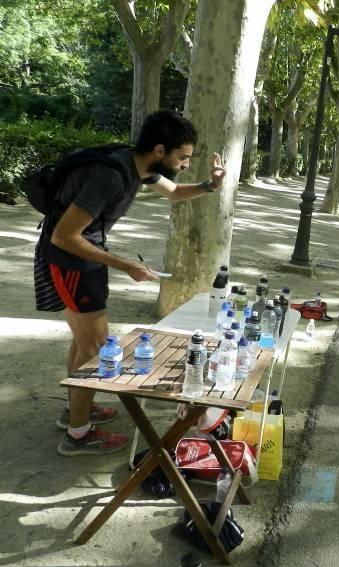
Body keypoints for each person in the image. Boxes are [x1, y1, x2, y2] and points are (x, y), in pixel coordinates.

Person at [34, 109, 226, 456]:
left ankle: (77, 410)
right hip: (71, 262)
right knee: (94, 349)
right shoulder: (112, 176)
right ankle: (78, 434)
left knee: (84, 343)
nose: (185, 164)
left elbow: (175, 193)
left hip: (84, 260)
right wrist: (125, 266)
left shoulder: (138, 166)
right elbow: (64, 236)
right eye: (182, 157)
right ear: (158, 150)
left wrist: (211, 185)